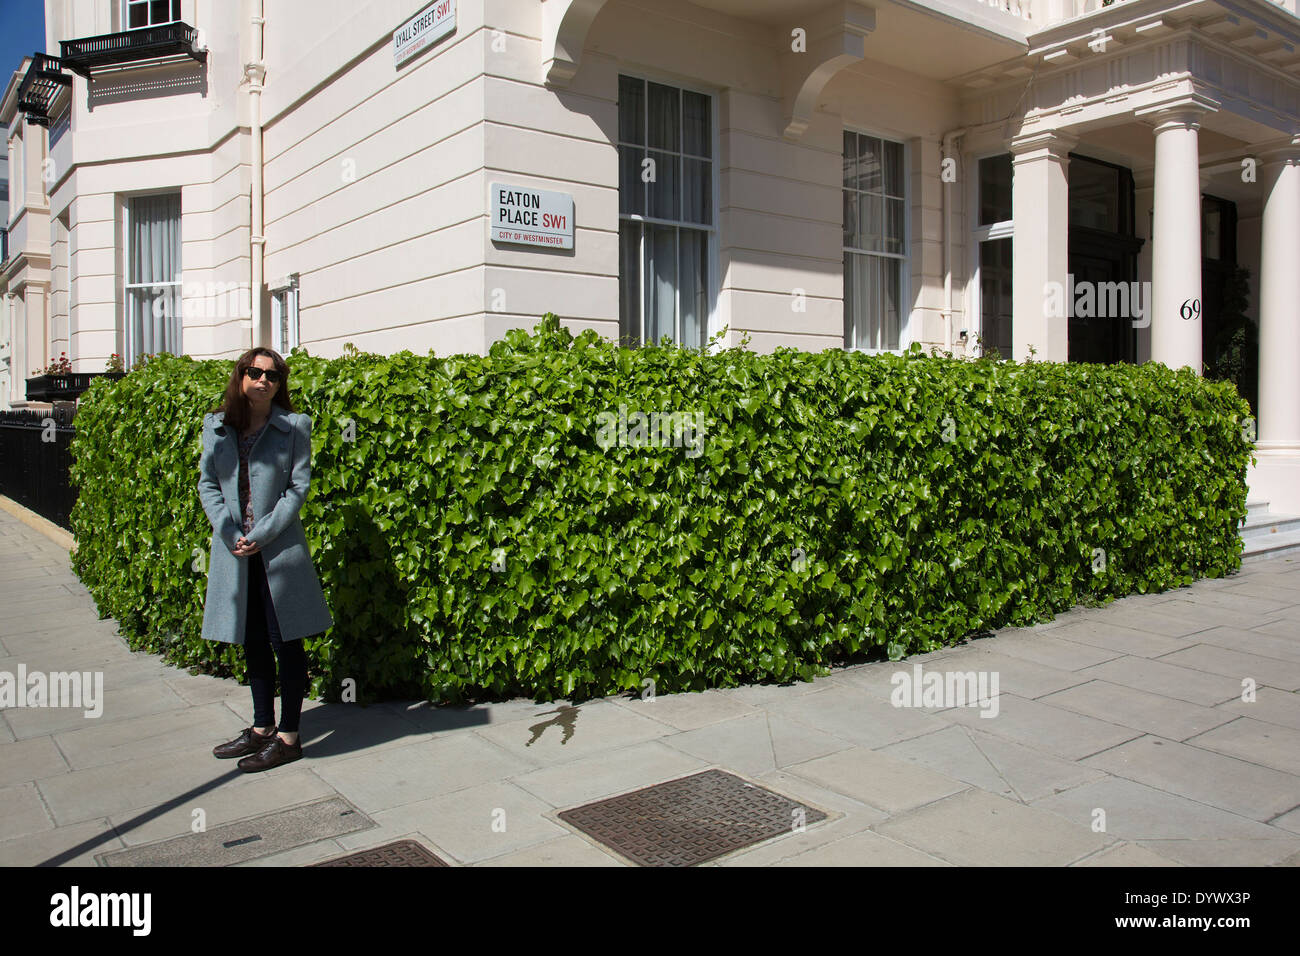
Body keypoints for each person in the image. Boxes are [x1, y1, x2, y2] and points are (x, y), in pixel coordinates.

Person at [197, 347, 335, 772]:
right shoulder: (216, 426)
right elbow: (208, 484)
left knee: (286, 641)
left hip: (278, 551)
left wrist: (260, 535)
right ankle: (261, 728)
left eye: (272, 376)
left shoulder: (295, 427)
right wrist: (229, 531)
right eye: (255, 373)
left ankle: (289, 736)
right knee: (252, 639)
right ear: (240, 377)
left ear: (280, 383)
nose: (263, 381)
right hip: (234, 550)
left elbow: (297, 489)